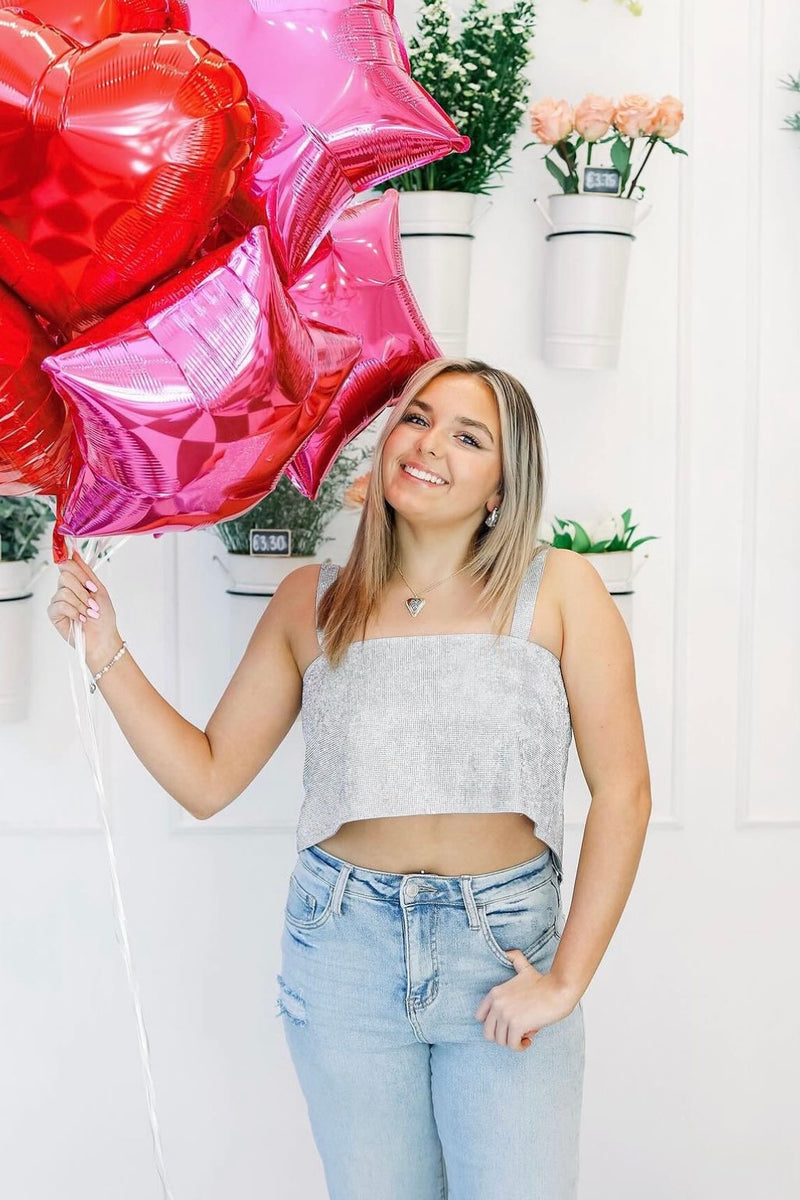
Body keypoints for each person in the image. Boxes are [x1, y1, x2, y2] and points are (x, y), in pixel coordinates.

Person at [48, 356, 651, 1199]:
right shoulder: (311, 602)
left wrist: (565, 984)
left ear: (501, 492)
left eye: (468, 436)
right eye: (416, 417)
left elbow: (624, 792)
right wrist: (104, 646)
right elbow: (209, 777)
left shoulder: (561, 592)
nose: (429, 442)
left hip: (503, 951)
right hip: (344, 954)